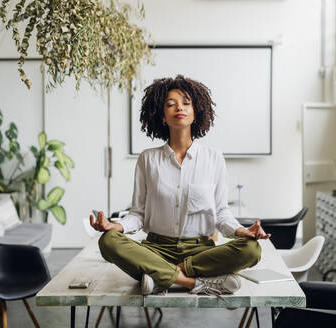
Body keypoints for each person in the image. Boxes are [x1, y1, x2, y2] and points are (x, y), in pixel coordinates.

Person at [90, 75, 270, 296]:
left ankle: (162, 278)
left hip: (200, 251)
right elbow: (138, 214)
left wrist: (241, 231)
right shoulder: (148, 159)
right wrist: (114, 227)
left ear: (196, 113)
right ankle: (195, 283)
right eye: (170, 104)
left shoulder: (214, 158)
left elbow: (221, 213)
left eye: (186, 103)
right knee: (108, 241)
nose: (179, 108)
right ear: (162, 116)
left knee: (252, 249)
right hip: (156, 249)